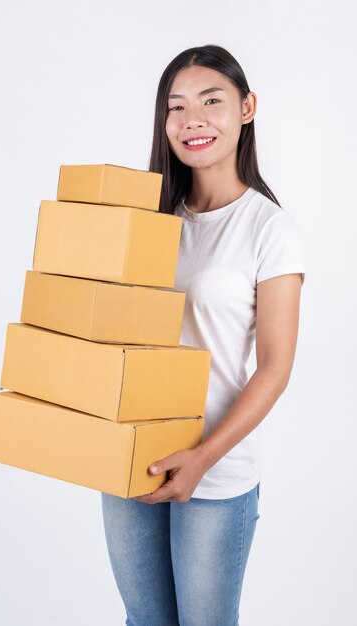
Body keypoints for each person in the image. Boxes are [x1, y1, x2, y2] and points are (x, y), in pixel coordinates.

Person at [101, 44, 306, 626]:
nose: (192, 119)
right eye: (176, 106)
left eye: (211, 101)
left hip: (216, 469)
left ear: (247, 108)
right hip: (131, 456)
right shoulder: (147, 221)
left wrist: (201, 459)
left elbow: (275, 365)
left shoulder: (270, 228)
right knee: (144, 621)